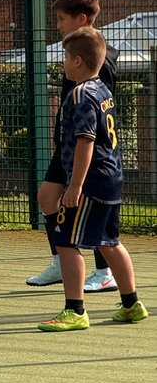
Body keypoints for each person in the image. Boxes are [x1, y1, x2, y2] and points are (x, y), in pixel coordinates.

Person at [38, 27, 148, 331]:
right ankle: (132, 304)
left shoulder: (80, 94)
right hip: (112, 177)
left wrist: (74, 186)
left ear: (76, 61)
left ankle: (75, 310)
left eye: (63, 57)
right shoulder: (103, 89)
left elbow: (86, 141)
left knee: (66, 240)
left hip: (91, 181)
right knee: (109, 241)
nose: (61, 63)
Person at [27, 0, 119, 292]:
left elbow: (91, 120)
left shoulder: (97, 62)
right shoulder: (78, 54)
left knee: (93, 218)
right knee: (46, 197)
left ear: (82, 19)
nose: (58, 25)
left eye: (62, 19)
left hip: (89, 153)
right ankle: (60, 262)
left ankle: (103, 272)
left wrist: (77, 176)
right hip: (69, 146)